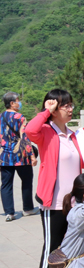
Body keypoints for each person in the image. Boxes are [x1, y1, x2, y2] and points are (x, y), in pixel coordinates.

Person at [26, 89, 83, 268]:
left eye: (71, 105)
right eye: (65, 106)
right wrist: (45, 112)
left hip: (74, 204)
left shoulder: (73, 135)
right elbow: (30, 130)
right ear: (53, 108)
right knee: (53, 250)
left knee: (73, 250)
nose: (70, 109)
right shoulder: (45, 133)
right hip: (54, 204)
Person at [1, 92, 38, 221]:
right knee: (26, 181)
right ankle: (28, 208)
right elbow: (25, 138)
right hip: (20, 156)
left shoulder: (1, 117)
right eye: (17, 100)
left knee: (6, 184)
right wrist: (32, 156)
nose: (19, 103)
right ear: (12, 103)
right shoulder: (20, 117)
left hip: (4, 156)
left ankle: (9, 213)